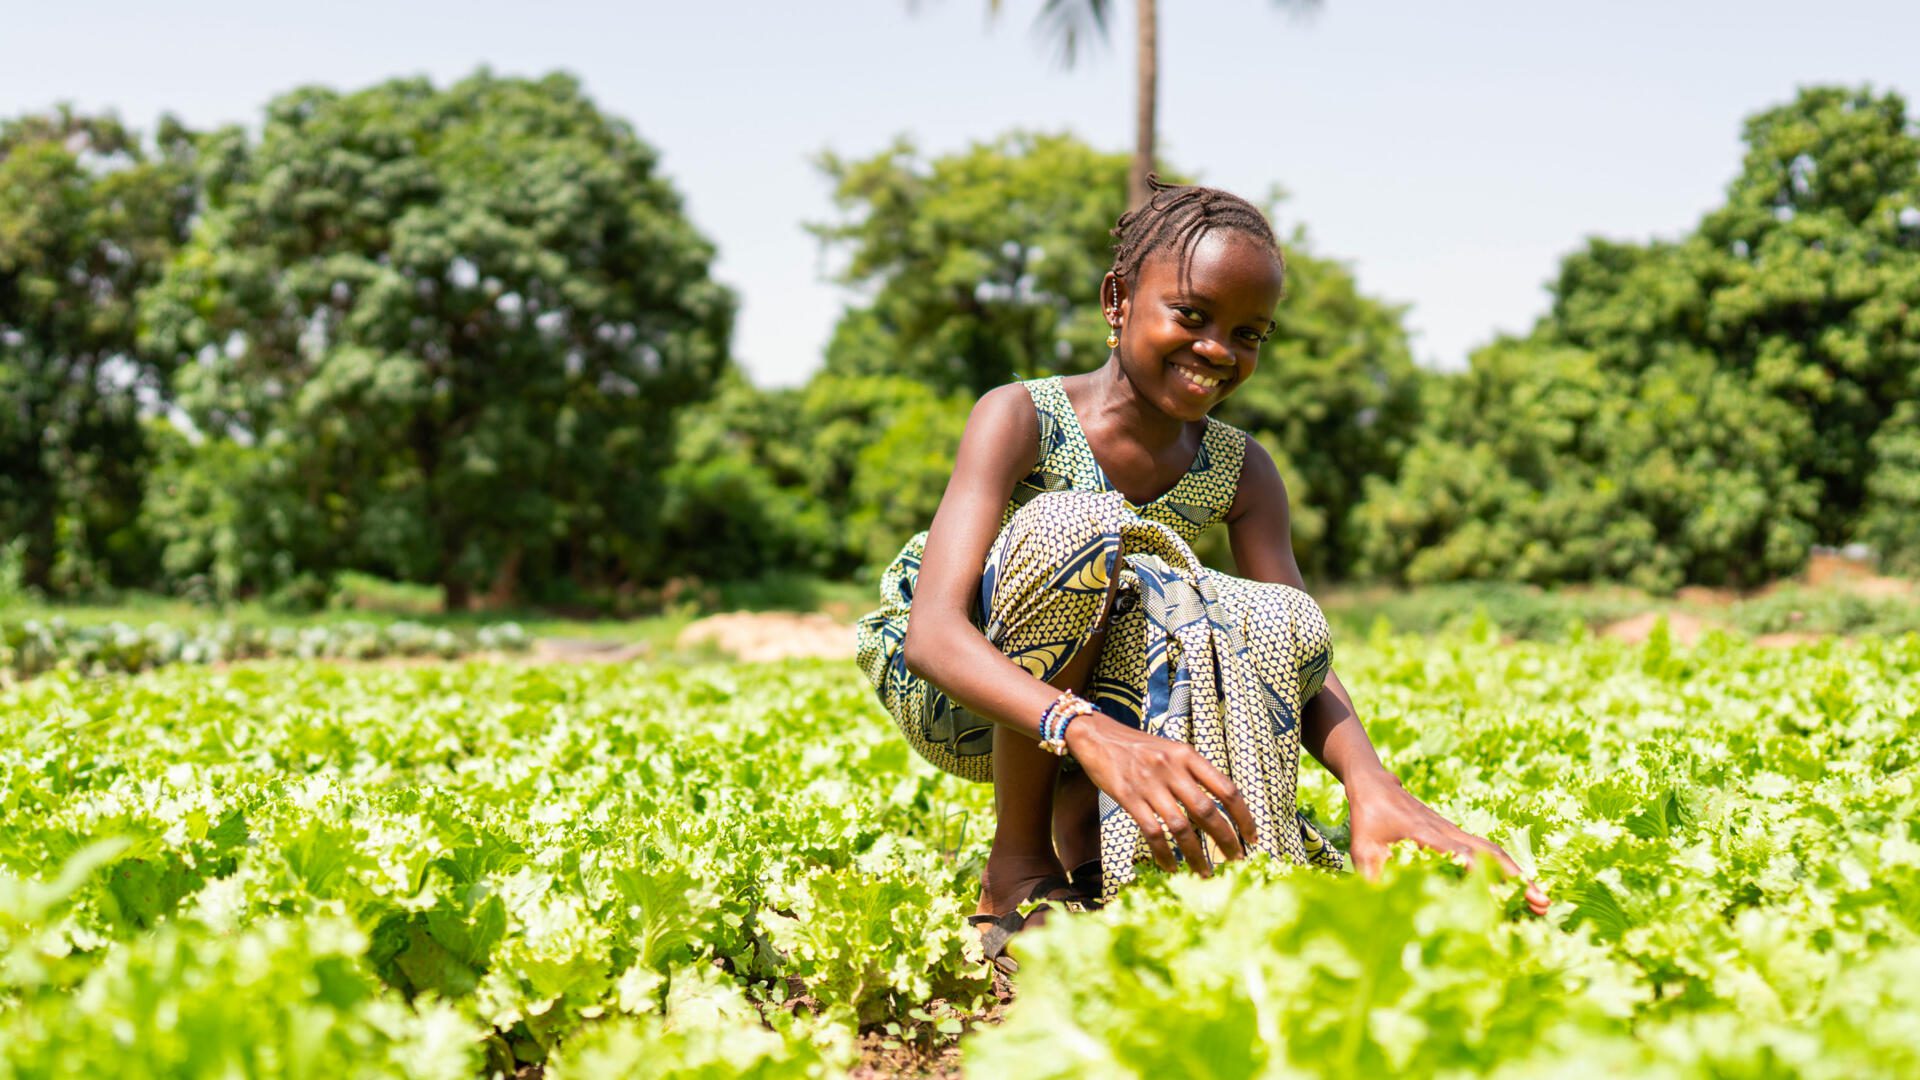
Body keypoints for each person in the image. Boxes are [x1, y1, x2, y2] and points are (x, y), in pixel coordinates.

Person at [855, 178, 1548, 970]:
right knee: (1076, 526)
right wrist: (1088, 731)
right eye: (1191, 315)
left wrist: (1372, 786)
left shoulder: (1242, 470)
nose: (1218, 348)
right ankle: (1017, 869)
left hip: (1107, 701)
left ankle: (1091, 843)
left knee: (1265, 616)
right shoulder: (1020, 416)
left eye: (1249, 333)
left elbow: (1299, 654)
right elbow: (931, 636)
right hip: (965, 693)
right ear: (1118, 300)